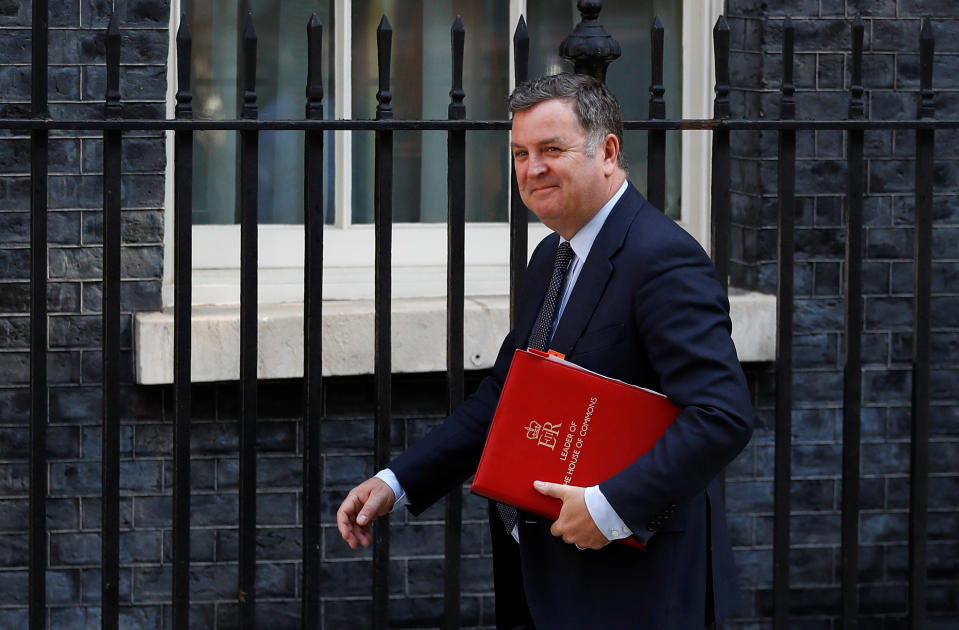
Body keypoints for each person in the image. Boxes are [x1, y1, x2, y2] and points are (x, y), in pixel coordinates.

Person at [337, 73, 754, 629]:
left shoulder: (662, 259)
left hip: (636, 587)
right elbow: (507, 396)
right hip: (542, 576)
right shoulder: (551, 259)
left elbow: (721, 415)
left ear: (607, 152)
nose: (532, 169)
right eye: (520, 153)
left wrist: (609, 508)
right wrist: (398, 481)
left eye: (551, 150)